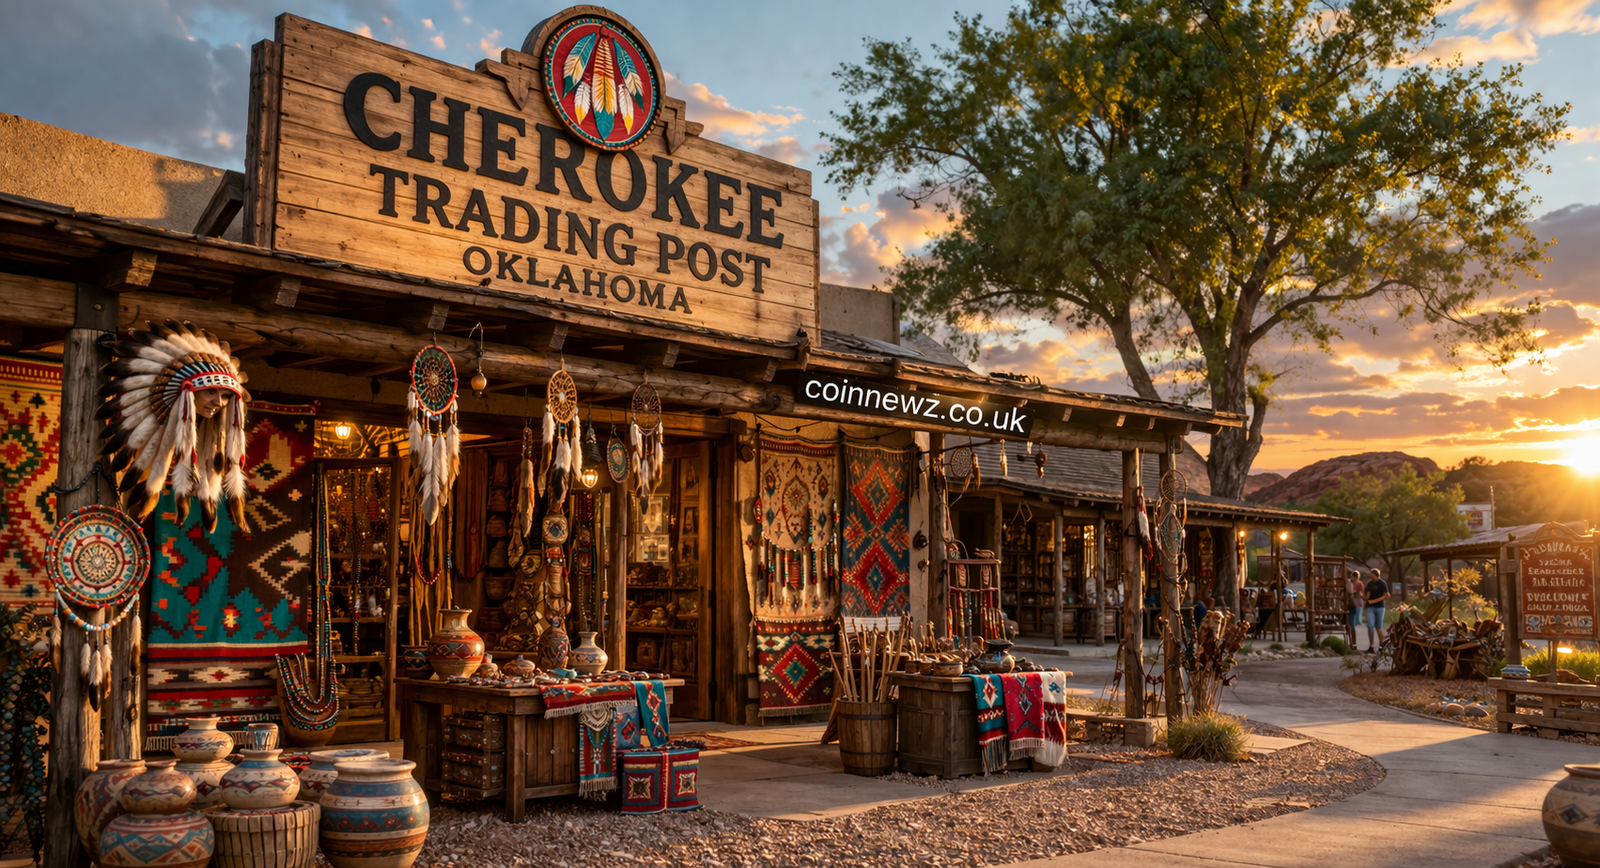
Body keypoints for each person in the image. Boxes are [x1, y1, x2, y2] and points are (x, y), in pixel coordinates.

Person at [1362, 568, 1390, 652]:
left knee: (1378, 627)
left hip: (1380, 607)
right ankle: (1371, 646)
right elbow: (1367, 595)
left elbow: (1386, 595)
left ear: (1374, 574)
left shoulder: (1382, 583)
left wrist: (1374, 601)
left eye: (1371, 574)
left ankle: (1382, 645)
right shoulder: (1370, 583)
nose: (1370, 575)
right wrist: (1364, 599)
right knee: (1370, 626)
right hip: (1370, 607)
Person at [1347, 570, 1365, 642]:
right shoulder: (1351, 582)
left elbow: (1359, 592)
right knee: (1352, 617)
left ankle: (1357, 623)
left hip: (1355, 601)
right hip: (1354, 601)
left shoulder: (1357, 583)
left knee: (1354, 617)